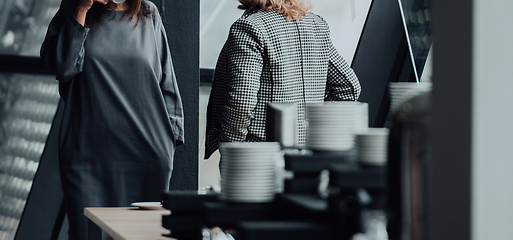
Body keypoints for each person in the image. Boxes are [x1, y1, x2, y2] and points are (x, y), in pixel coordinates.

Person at [40, 0, 183, 238]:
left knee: (143, 235)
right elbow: (63, 68)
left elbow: (166, 82)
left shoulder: (148, 13)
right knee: (86, 234)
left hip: (146, 155)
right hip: (86, 155)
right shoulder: (74, 8)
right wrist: (82, 10)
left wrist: (170, 141)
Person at [204, 0, 361, 159]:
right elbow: (349, 86)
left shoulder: (250, 27)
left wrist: (231, 152)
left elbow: (242, 102)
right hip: (306, 157)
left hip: (258, 160)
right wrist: (314, 127)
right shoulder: (315, 25)